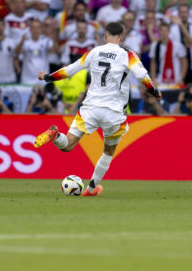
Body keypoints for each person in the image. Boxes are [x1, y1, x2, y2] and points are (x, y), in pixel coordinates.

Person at [33, 21, 162, 197]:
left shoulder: (94, 52)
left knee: (67, 145)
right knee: (108, 151)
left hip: (91, 107)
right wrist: (153, 91)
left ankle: (55, 135)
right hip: (114, 112)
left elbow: (70, 70)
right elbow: (142, 75)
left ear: (105, 36)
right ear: (122, 37)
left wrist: (48, 77)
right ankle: (91, 189)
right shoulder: (128, 54)